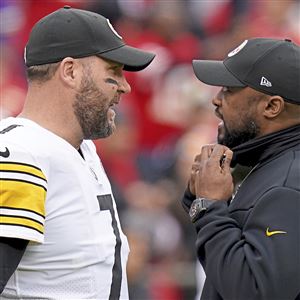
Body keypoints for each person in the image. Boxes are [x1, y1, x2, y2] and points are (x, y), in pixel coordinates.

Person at [0, 6, 155, 299]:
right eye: (113, 71)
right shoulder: (21, 155)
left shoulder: (82, 148)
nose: (125, 87)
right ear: (70, 71)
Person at [181, 38, 300, 299]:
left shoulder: (288, 184)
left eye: (228, 89)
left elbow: (254, 290)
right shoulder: (272, 165)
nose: (215, 100)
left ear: (271, 106)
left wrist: (209, 207)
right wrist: (198, 200)